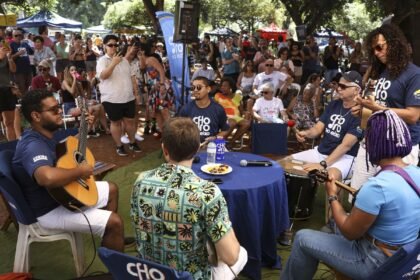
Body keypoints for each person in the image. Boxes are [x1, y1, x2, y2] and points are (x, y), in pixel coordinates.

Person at [281, 110, 420, 280]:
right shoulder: (416, 172)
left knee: (303, 238)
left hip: (375, 260)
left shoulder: (378, 186)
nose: (365, 143)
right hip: (403, 257)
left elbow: (349, 232)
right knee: (333, 224)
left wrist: (332, 195)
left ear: (375, 143)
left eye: (367, 139)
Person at [131, 117, 247, 279]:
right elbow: (231, 257)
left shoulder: (140, 181)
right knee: (241, 254)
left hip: (150, 273)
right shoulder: (207, 192)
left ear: (165, 149)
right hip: (189, 276)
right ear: (197, 149)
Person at [12, 89, 125, 252]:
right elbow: (46, 177)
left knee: (111, 189)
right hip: (49, 210)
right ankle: (112, 234)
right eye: (53, 110)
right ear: (36, 116)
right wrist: (80, 172)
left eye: (58, 107)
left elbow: (67, 148)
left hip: (61, 196)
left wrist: (85, 128)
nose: (59, 111)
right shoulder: (33, 145)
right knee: (114, 221)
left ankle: (109, 240)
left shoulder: (46, 135)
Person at [350, 24, 420, 192]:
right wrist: (362, 111)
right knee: (358, 194)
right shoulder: (381, 72)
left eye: (380, 47)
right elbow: (380, 106)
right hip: (372, 141)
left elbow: (413, 116)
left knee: (392, 198)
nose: (376, 52)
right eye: (373, 49)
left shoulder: (414, 74)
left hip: (400, 147)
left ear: (394, 44)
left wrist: (376, 107)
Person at [291, 71, 364, 181]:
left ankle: (332, 198)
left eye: (343, 86)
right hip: (320, 152)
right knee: (286, 163)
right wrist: (305, 133)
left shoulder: (360, 113)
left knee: (331, 177)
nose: (338, 88)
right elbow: (317, 129)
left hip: (344, 157)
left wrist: (323, 164)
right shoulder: (334, 104)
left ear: (356, 90)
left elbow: (346, 145)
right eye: (338, 85)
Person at [96, 34, 141, 156]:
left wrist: (136, 94)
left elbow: (132, 77)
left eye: (115, 45)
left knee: (130, 122)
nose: (113, 47)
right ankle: (119, 146)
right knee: (115, 123)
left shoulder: (125, 61)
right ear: (105, 46)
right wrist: (113, 63)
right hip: (111, 99)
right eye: (110, 45)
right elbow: (103, 76)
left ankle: (132, 142)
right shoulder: (102, 61)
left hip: (128, 97)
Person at [179, 76, 229, 143]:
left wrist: (215, 138)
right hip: (190, 149)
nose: (195, 90)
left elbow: (225, 130)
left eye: (199, 87)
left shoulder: (218, 109)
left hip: (211, 149)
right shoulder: (186, 109)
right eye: (193, 88)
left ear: (208, 89)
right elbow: (179, 130)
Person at [215, 77, 251, 150]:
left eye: (225, 86)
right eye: (222, 86)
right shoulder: (218, 95)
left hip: (236, 116)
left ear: (230, 87)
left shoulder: (237, 96)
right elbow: (213, 108)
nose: (222, 88)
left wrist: (246, 113)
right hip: (224, 116)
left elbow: (241, 110)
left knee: (247, 123)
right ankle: (221, 141)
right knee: (232, 123)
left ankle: (231, 143)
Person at [0, 40, 17, 141]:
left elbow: (13, 70)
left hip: (6, 90)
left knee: (9, 122)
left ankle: (12, 145)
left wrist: (10, 57)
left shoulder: (5, 56)